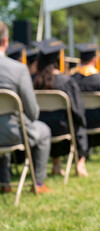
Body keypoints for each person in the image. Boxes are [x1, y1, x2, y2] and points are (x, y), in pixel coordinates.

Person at [0, 21, 52, 193]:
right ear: (6, 41)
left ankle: (4, 183)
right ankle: (38, 184)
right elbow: (32, 112)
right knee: (43, 130)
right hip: (12, 133)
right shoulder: (17, 69)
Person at [33, 38, 89, 177]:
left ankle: (57, 164)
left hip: (39, 127)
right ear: (59, 59)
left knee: (50, 121)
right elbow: (77, 110)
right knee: (78, 125)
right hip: (63, 127)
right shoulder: (66, 81)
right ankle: (80, 163)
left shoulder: (33, 80)